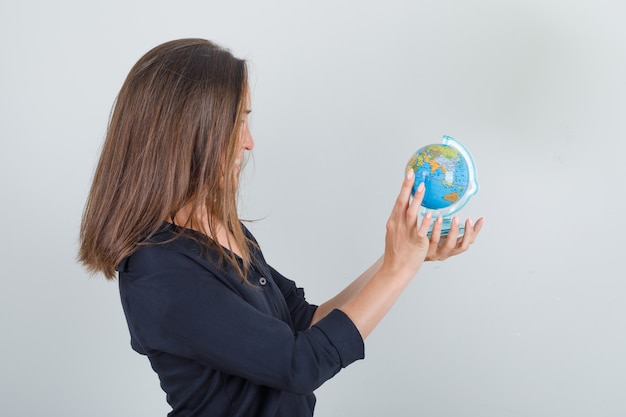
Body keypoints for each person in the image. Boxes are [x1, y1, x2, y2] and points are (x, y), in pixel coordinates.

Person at [78, 38, 483, 417]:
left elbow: (305, 323)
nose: (250, 141)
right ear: (188, 133)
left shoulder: (219, 228)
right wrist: (399, 269)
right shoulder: (159, 273)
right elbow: (299, 364)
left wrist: (396, 257)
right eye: (237, 123)